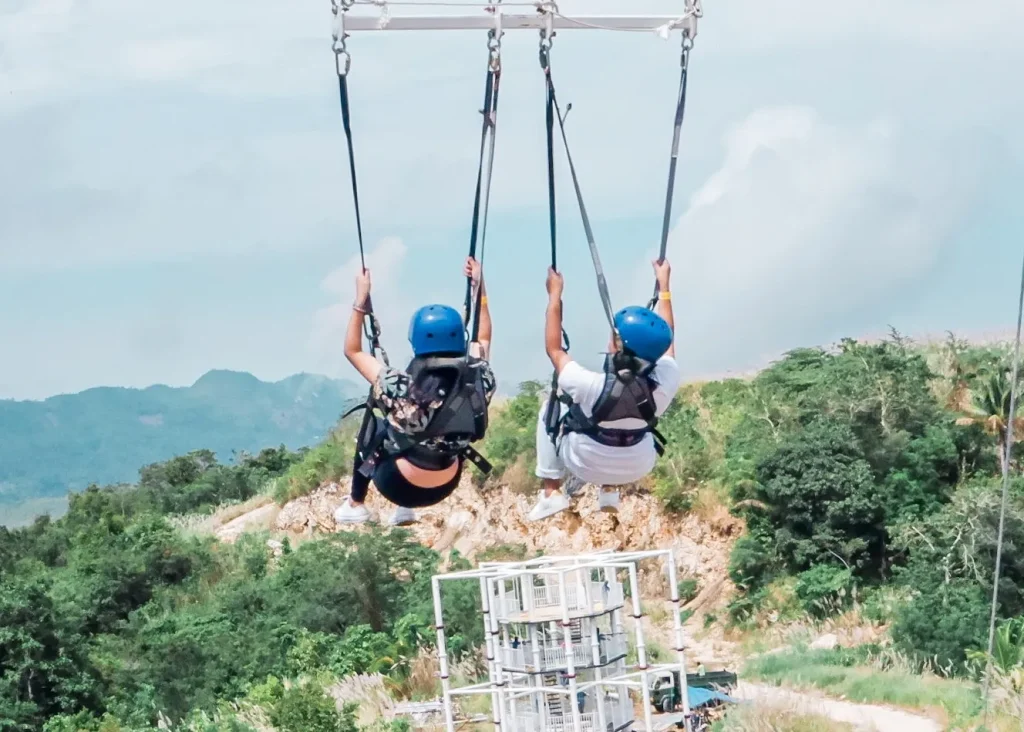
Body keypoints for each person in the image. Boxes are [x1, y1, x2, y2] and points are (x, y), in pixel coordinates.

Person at [334, 256, 495, 526]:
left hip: (396, 483)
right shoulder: (480, 377)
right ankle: (403, 512)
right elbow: (484, 336)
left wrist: (360, 300)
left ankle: (356, 503)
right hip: (447, 482)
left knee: (375, 425)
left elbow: (353, 351)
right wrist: (480, 287)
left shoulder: (400, 386)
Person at [527, 259, 680, 522]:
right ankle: (609, 490)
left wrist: (554, 296)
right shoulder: (666, 381)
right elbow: (667, 342)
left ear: (616, 347)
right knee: (624, 428)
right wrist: (664, 287)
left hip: (585, 463)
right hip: (636, 466)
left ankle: (551, 491)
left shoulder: (590, 386)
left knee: (552, 406)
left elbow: (554, 349)